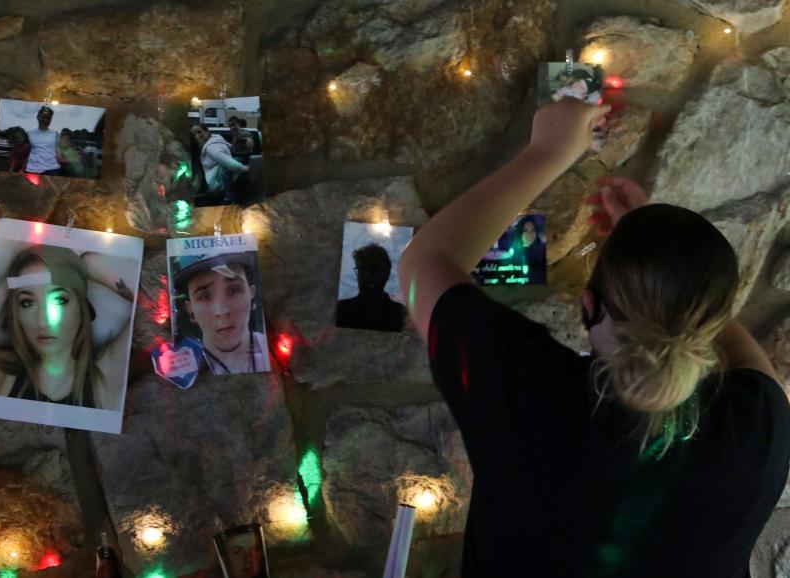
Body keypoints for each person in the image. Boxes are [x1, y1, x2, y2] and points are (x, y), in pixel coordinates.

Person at [398, 98, 789, 577]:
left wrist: (548, 152)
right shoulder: (756, 428)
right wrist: (662, 273)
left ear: (588, 305)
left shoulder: (533, 399)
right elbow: (753, 366)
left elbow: (422, 264)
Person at [0, 245, 134, 410]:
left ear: (82, 309)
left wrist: (90, 265)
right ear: (15, 314)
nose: (42, 322)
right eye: (27, 303)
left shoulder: (107, 376)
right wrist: (8, 284)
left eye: (59, 301)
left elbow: (155, 301)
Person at [173, 253, 270, 375]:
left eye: (233, 290)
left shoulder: (273, 352)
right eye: (204, 297)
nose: (222, 311)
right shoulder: (183, 368)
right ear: (190, 309)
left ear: (251, 294)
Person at [336, 243, 406, 331]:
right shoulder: (340, 309)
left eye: (375, 270)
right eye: (362, 269)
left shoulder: (399, 313)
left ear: (387, 274)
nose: (367, 276)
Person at [190, 124, 249, 204]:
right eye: (194, 134)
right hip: (226, 183)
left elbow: (230, 163)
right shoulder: (216, 140)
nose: (197, 136)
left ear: (207, 131)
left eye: (199, 132)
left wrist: (245, 168)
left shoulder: (212, 148)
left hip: (219, 187)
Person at [25, 106, 62, 176]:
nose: (45, 120)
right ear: (37, 117)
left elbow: (58, 151)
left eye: (48, 118)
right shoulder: (29, 133)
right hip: (32, 169)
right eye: (43, 117)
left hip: (53, 169)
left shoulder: (55, 134)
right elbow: (26, 152)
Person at [514, 216, 546, 284]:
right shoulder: (513, 253)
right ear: (520, 232)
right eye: (525, 230)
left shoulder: (541, 251)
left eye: (533, 230)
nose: (530, 234)